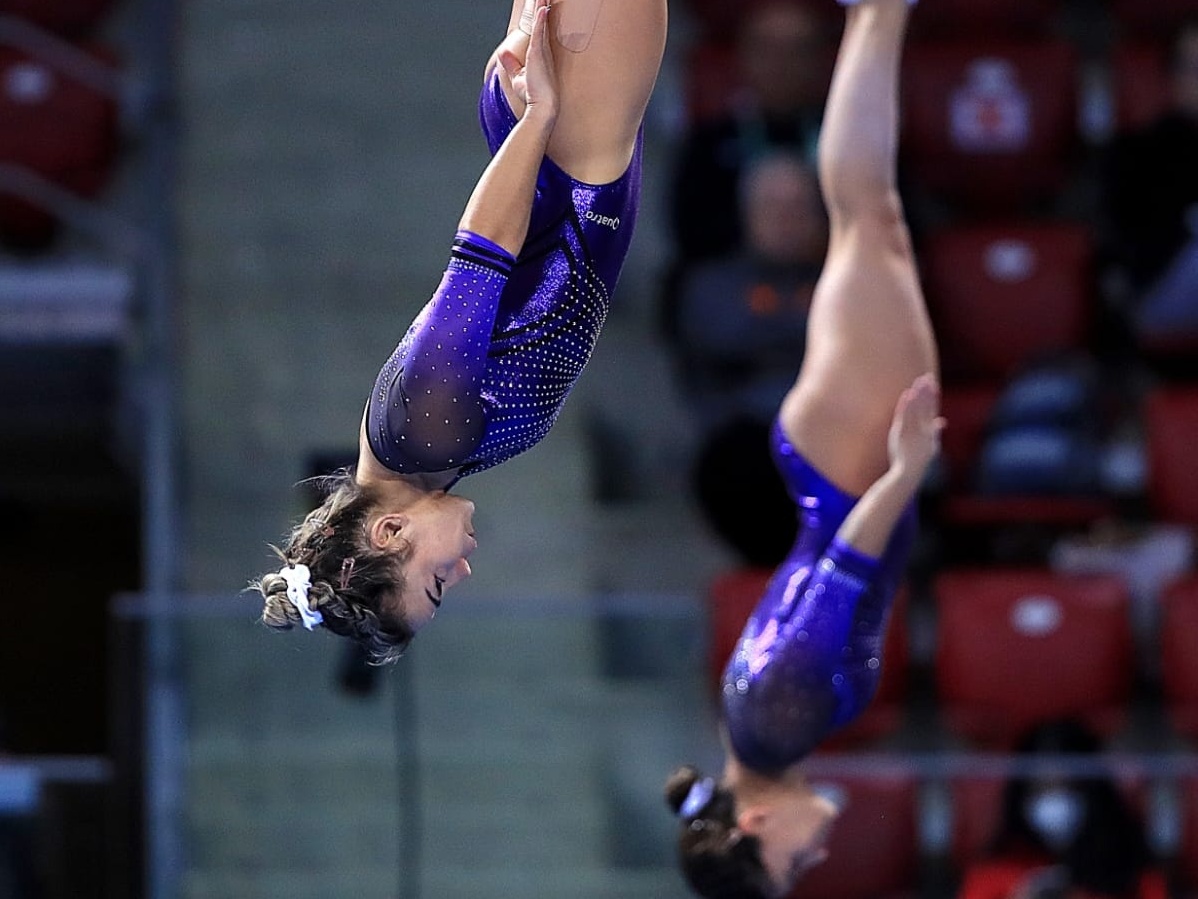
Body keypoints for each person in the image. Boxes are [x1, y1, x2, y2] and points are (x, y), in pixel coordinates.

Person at [252, 0, 668, 663]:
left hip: (566, 150)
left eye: (437, 581)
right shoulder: (418, 457)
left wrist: (539, 118)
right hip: (567, 153)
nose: (463, 570)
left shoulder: (423, 433)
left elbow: (478, 257)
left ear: (389, 531)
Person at [663, 0, 941, 896]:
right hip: (836, 471)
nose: (814, 858)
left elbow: (842, 578)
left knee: (867, 217)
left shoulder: (774, 725)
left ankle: (879, 14)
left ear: (753, 826)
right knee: (871, 220)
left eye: (790, 866)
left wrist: (903, 476)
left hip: (845, 475)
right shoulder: (756, 727)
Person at [673, 152, 828, 567]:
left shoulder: (843, 277)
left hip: (835, 437)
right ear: (746, 214)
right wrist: (810, 330)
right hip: (747, 447)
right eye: (772, 207)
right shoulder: (710, 284)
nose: (786, 220)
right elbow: (723, 338)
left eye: (798, 207)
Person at [956, 719, 1167, 899]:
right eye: (1041, 788)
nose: (1054, 800)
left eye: (1067, 787)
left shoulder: (1137, 877)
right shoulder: (991, 877)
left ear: (1095, 793)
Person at [1103, 18, 1198, 364]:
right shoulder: (1139, 153)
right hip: (1160, 295)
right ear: (1173, 79)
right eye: (1194, 69)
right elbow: (1125, 249)